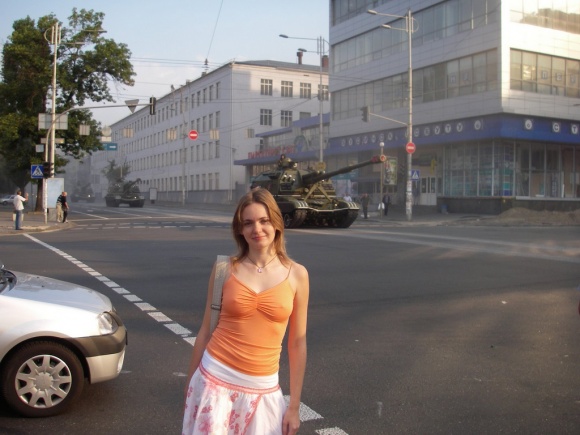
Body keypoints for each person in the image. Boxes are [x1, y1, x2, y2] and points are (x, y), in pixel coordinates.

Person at [182, 188, 310, 435]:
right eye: (248, 223)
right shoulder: (224, 268)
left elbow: (297, 343)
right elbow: (205, 332)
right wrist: (191, 389)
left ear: (276, 223)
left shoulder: (297, 274)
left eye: (264, 221)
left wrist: (294, 406)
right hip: (214, 382)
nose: (257, 229)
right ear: (240, 229)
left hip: (264, 389)